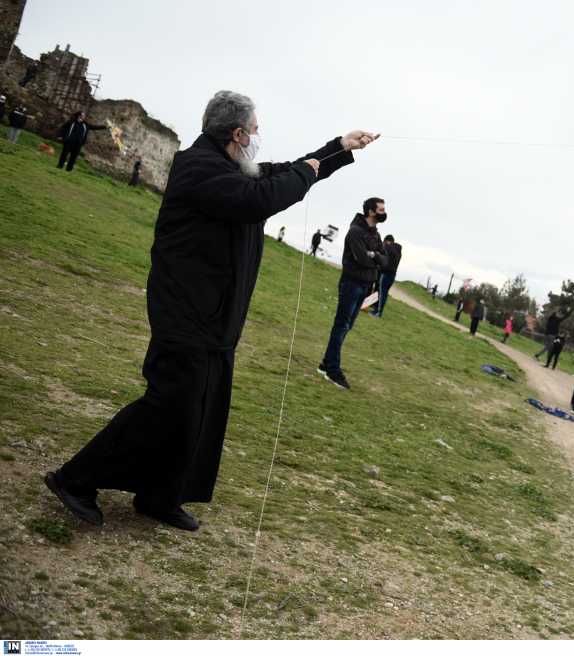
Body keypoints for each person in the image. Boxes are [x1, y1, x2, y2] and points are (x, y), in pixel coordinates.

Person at [43, 90, 375, 531]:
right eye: (255, 130)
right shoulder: (199, 167)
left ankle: (161, 495)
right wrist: (308, 172)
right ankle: (75, 479)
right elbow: (262, 198)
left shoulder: (230, 167)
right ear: (237, 133)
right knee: (169, 403)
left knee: (199, 408)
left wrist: (337, 149)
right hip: (186, 311)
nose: (258, 138)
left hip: (216, 315)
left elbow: (276, 174)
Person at [319, 198, 387, 389]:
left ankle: (325, 363)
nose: (384, 212)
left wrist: (374, 255)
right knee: (341, 326)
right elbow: (362, 260)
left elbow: (385, 261)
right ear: (371, 212)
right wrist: (374, 257)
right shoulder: (355, 232)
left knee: (347, 326)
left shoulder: (375, 234)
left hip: (365, 286)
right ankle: (332, 370)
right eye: (381, 209)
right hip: (351, 284)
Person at [370, 235, 402, 317]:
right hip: (392, 274)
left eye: (384, 242)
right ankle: (376, 309)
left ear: (387, 241)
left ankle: (378, 312)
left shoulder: (388, 247)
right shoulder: (398, 250)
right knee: (384, 293)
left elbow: (382, 259)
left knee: (381, 293)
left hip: (385, 273)